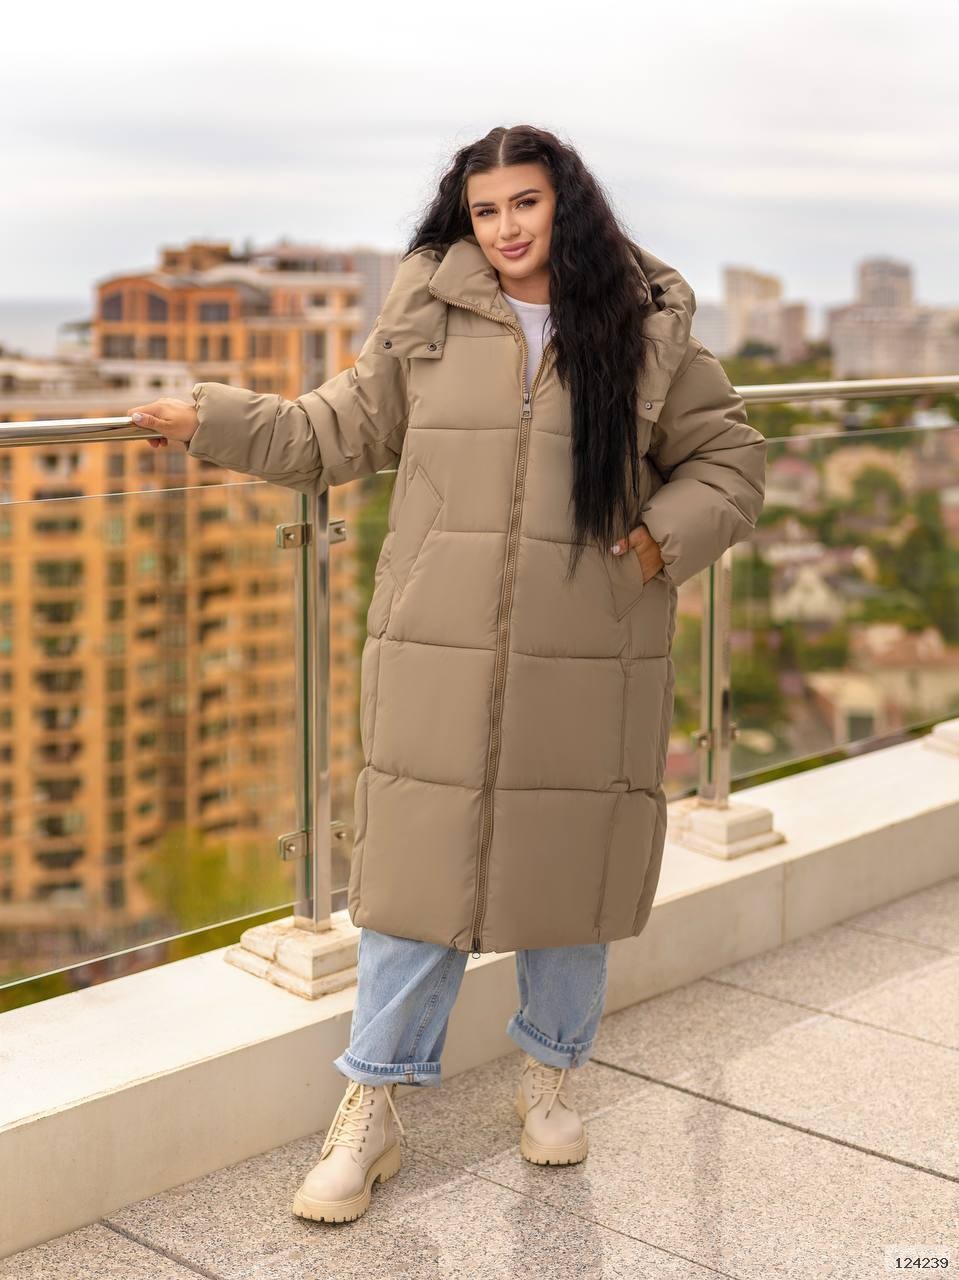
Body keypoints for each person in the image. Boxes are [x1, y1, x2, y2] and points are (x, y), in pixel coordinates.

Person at [128, 123, 766, 1225]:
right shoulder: (426, 314)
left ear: (564, 204)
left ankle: (552, 1077)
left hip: (590, 652)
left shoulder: (643, 328)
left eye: (525, 202)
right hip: (435, 647)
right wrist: (211, 420)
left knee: (569, 875)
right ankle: (370, 1110)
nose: (505, 227)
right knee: (411, 886)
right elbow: (333, 432)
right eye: (485, 209)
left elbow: (730, 460)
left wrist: (649, 550)